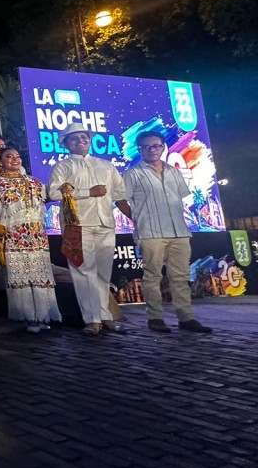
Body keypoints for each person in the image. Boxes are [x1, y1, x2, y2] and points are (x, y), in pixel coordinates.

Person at [116, 131, 212, 334]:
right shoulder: (133, 174)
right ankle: (155, 318)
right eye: (146, 147)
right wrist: (136, 219)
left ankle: (186, 318)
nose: (152, 150)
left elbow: (182, 197)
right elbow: (120, 199)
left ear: (163, 147)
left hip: (179, 231)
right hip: (150, 232)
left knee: (181, 277)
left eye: (156, 146)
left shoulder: (174, 171)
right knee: (152, 277)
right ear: (140, 149)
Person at [47, 122, 127, 336]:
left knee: (102, 273)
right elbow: (54, 194)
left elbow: (119, 194)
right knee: (83, 272)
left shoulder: (106, 165)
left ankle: (105, 316)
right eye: (74, 138)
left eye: (84, 137)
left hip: (105, 223)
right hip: (76, 225)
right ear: (66, 144)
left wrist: (136, 217)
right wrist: (87, 192)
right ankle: (91, 320)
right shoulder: (62, 167)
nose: (81, 141)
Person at [0, 147, 61, 333]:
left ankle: (44, 314)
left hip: (37, 235)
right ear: (0, 161)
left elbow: (47, 198)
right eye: (9, 156)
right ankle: (29, 317)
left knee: (40, 273)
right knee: (21, 274)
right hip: (14, 235)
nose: (15, 159)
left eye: (17, 156)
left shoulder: (34, 182)